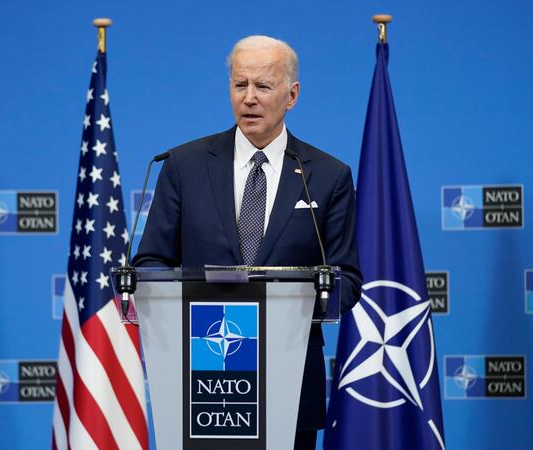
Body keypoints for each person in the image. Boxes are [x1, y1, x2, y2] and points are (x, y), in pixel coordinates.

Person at [134, 35, 362, 450]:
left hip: (289, 377)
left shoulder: (328, 176)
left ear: (291, 95)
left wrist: (296, 301)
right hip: (204, 378)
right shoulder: (184, 166)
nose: (250, 98)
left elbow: (346, 278)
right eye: (241, 86)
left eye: (263, 86)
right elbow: (150, 261)